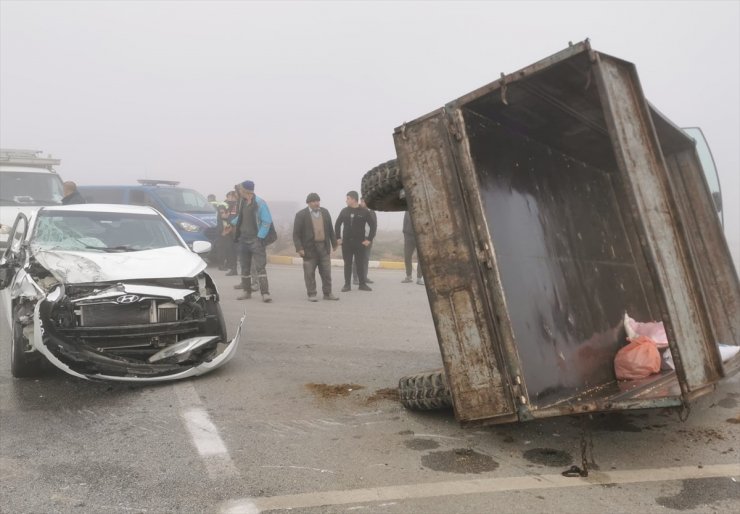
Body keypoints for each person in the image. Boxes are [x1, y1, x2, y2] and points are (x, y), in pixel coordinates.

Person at [293, 193, 339, 302]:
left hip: (323, 247)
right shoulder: (301, 215)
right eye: (314, 201)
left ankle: (327, 293)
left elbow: (330, 229)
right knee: (309, 273)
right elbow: (296, 234)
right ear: (308, 203)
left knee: (326, 272)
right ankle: (312, 294)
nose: (316, 203)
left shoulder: (325, 212)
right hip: (309, 249)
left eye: (318, 201)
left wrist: (334, 243)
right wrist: (299, 248)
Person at [233, 180, 274, 303]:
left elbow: (267, 221)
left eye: (240, 189)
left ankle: (265, 293)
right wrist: (231, 223)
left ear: (245, 191)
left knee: (260, 268)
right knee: (245, 267)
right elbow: (240, 217)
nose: (239, 191)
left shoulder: (260, 203)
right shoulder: (242, 202)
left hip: (256, 240)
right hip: (243, 240)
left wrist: (260, 237)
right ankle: (246, 292)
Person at [335, 190, 376, 292]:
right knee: (347, 264)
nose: (346, 200)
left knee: (360, 263)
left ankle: (362, 284)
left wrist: (369, 240)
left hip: (360, 242)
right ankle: (347, 285)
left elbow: (373, 226)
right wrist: (338, 238)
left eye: (348, 198)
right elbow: (337, 224)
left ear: (353, 199)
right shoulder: (344, 211)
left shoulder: (364, 211)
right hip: (347, 243)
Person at [352, 197, 376, 285]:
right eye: (361, 201)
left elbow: (374, 226)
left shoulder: (372, 212)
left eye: (364, 201)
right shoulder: (357, 211)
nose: (362, 203)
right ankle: (355, 278)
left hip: (368, 239)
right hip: (359, 239)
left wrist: (370, 238)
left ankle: (364, 277)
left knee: (366, 258)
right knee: (357, 259)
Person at [403, 211, 424, 285]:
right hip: (409, 237)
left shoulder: (421, 210)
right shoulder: (407, 211)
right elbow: (405, 224)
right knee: (407, 257)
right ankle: (409, 276)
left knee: (421, 259)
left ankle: (419, 278)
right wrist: (405, 235)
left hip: (420, 236)